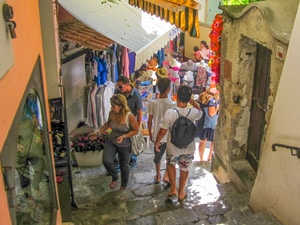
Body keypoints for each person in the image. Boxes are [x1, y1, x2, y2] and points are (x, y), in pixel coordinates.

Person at [154, 85, 202, 201]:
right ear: (189, 98)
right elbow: (201, 112)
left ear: (176, 97)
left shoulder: (170, 112)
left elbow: (163, 130)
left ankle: (173, 189)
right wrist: (193, 102)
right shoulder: (194, 112)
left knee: (171, 164)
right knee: (185, 167)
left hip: (172, 146)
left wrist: (157, 142)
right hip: (189, 146)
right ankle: (182, 192)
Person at [96, 94, 139, 190]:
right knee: (106, 160)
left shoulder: (129, 116)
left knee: (124, 166)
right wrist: (99, 133)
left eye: (113, 106)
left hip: (125, 144)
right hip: (112, 140)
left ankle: (123, 185)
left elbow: (136, 130)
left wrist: (124, 136)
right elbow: (107, 124)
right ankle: (114, 176)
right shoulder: (112, 113)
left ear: (120, 106)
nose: (111, 108)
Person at [147, 78, 175, 184]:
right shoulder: (172, 104)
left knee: (157, 157)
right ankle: (166, 175)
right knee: (169, 157)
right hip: (168, 136)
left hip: (157, 134)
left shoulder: (153, 103)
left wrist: (150, 133)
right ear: (168, 89)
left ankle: (158, 175)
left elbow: (150, 121)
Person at [116, 76, 143, 168]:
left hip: (132, 123)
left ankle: (132, 161)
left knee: (132, 143)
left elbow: (139, 114)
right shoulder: (118, 93)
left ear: (127, 85)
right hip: (120, 122)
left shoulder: (136, 96)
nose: (119, 89)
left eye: (120, 86)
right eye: (118, 87)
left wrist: (138, 128)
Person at [198, 89, 220, 161]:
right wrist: (217, 108)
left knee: (202, 141)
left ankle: (201, 159)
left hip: (203, 123)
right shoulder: (212, 101)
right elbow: (211, 114)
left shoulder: (204, 98)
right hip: (211, 124)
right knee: (213, 141)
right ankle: (209, 156)